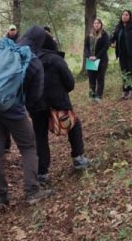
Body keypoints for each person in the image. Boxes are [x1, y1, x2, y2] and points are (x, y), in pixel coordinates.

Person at [0, 25, 52, 212]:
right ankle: (32, 191)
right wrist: (22, 104)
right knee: (29, 147)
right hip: (14, 110)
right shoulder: (33, 61)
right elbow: (35, 95)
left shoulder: (3, 50)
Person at [35, 33, 91, 182]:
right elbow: (70, 83)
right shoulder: (56, 59)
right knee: (74, 125)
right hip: (58, 102)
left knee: (40, 136)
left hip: (36, 104)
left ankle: (42, 173)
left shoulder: (31, 60)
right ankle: (78, 158)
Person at [84, 18, 110, 102]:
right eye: (95, 23)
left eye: (98, 23)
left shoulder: (104, 35)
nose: (96, 24)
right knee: (92, 78)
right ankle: (92, 95)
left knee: (100, 78)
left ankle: (99, 96)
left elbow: (105, 47)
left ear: (101, 25)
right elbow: (86, 47)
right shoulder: (89, 35)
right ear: (93, 24)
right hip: (91, 60)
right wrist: (89, 56)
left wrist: (97, 57)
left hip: (101, 60)